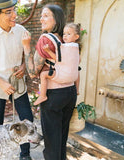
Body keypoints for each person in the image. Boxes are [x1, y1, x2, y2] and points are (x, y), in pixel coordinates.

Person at [22, 4, 77, 160]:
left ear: (56, 20)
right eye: (41, 15)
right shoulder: (67, 38)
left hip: (53, 94)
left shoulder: (46, 39)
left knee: (52, 142)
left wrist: (26, 47)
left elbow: (33, 73)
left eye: (46, 15)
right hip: (70, 92)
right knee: (61, 137)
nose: (41, 18)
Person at [0, 1, 33, 160]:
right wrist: (1, 83)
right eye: (8, 12)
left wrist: (23, 66)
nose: (14, 15)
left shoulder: (21, 30)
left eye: (14, 10)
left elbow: (26, 54)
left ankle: (25, 155)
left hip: (18, 85)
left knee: (27, 119)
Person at [33, 23, 81, 105]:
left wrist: (48, 51)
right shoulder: (76, 47)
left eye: (68, 34)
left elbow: (58, 59)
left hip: (63, 76)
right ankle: (77, 89)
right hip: (73, 78)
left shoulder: (66, 47)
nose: (65, 36)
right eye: (64, 34)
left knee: (43, 75)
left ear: (76, 37)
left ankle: (43, 95)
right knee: (77, 69)